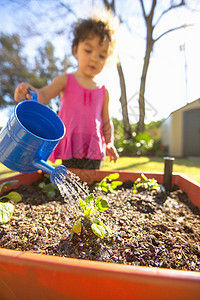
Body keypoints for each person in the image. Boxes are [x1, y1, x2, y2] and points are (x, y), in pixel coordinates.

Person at [14, 17, 119, 169]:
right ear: (76, 50)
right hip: (71, 144)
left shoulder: (103, 91)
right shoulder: (65, 80)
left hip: (93, 146)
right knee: (70, 181)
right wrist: (30, 92)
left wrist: (109, 142)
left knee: (92, 182)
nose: (94, 58)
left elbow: (106, 121)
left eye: (101, 55)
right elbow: (43, 95)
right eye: (88, 50)